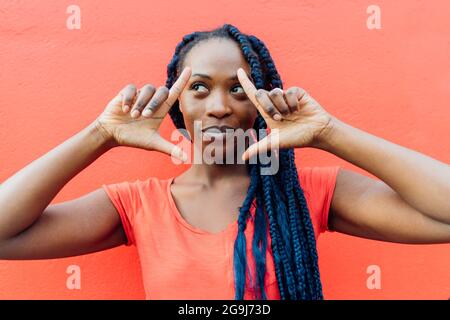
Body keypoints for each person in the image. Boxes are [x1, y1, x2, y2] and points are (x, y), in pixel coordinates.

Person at [0, 24, 449, 300]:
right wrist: (100, 135)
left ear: (261, 102)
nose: (218, 106)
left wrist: (329, 133)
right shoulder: (138, 205)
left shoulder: (307, 193)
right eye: (198, 87)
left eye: (238, 88)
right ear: (176, 104)